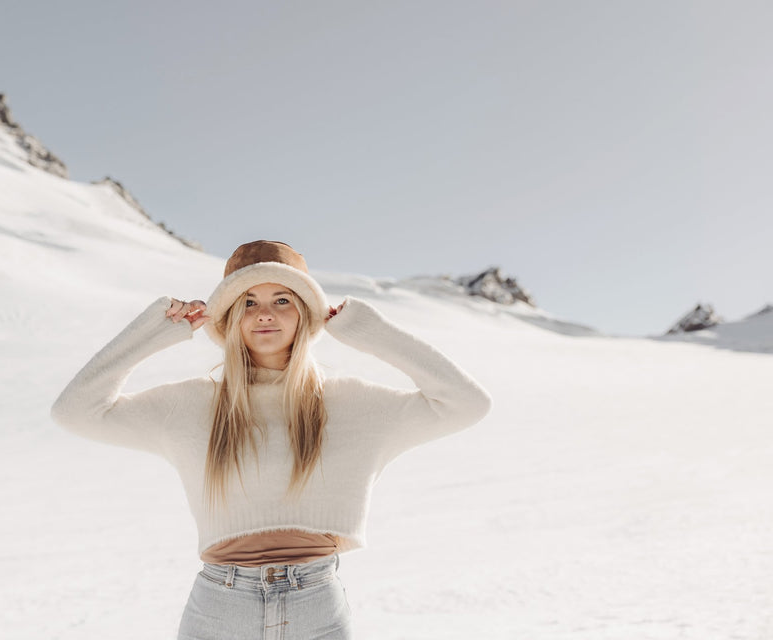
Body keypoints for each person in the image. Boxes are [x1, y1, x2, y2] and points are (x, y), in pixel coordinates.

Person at [51, 240, 492, 639]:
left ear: (305, 312)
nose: (265, 313)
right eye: (248, 302)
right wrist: (155, 332)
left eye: (282, 299)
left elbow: (467, 403)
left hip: (316, 605)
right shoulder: (191, 405)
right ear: (228, 319)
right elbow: (74, 411)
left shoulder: (352, 404)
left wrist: (371, 333)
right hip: (220, 607)